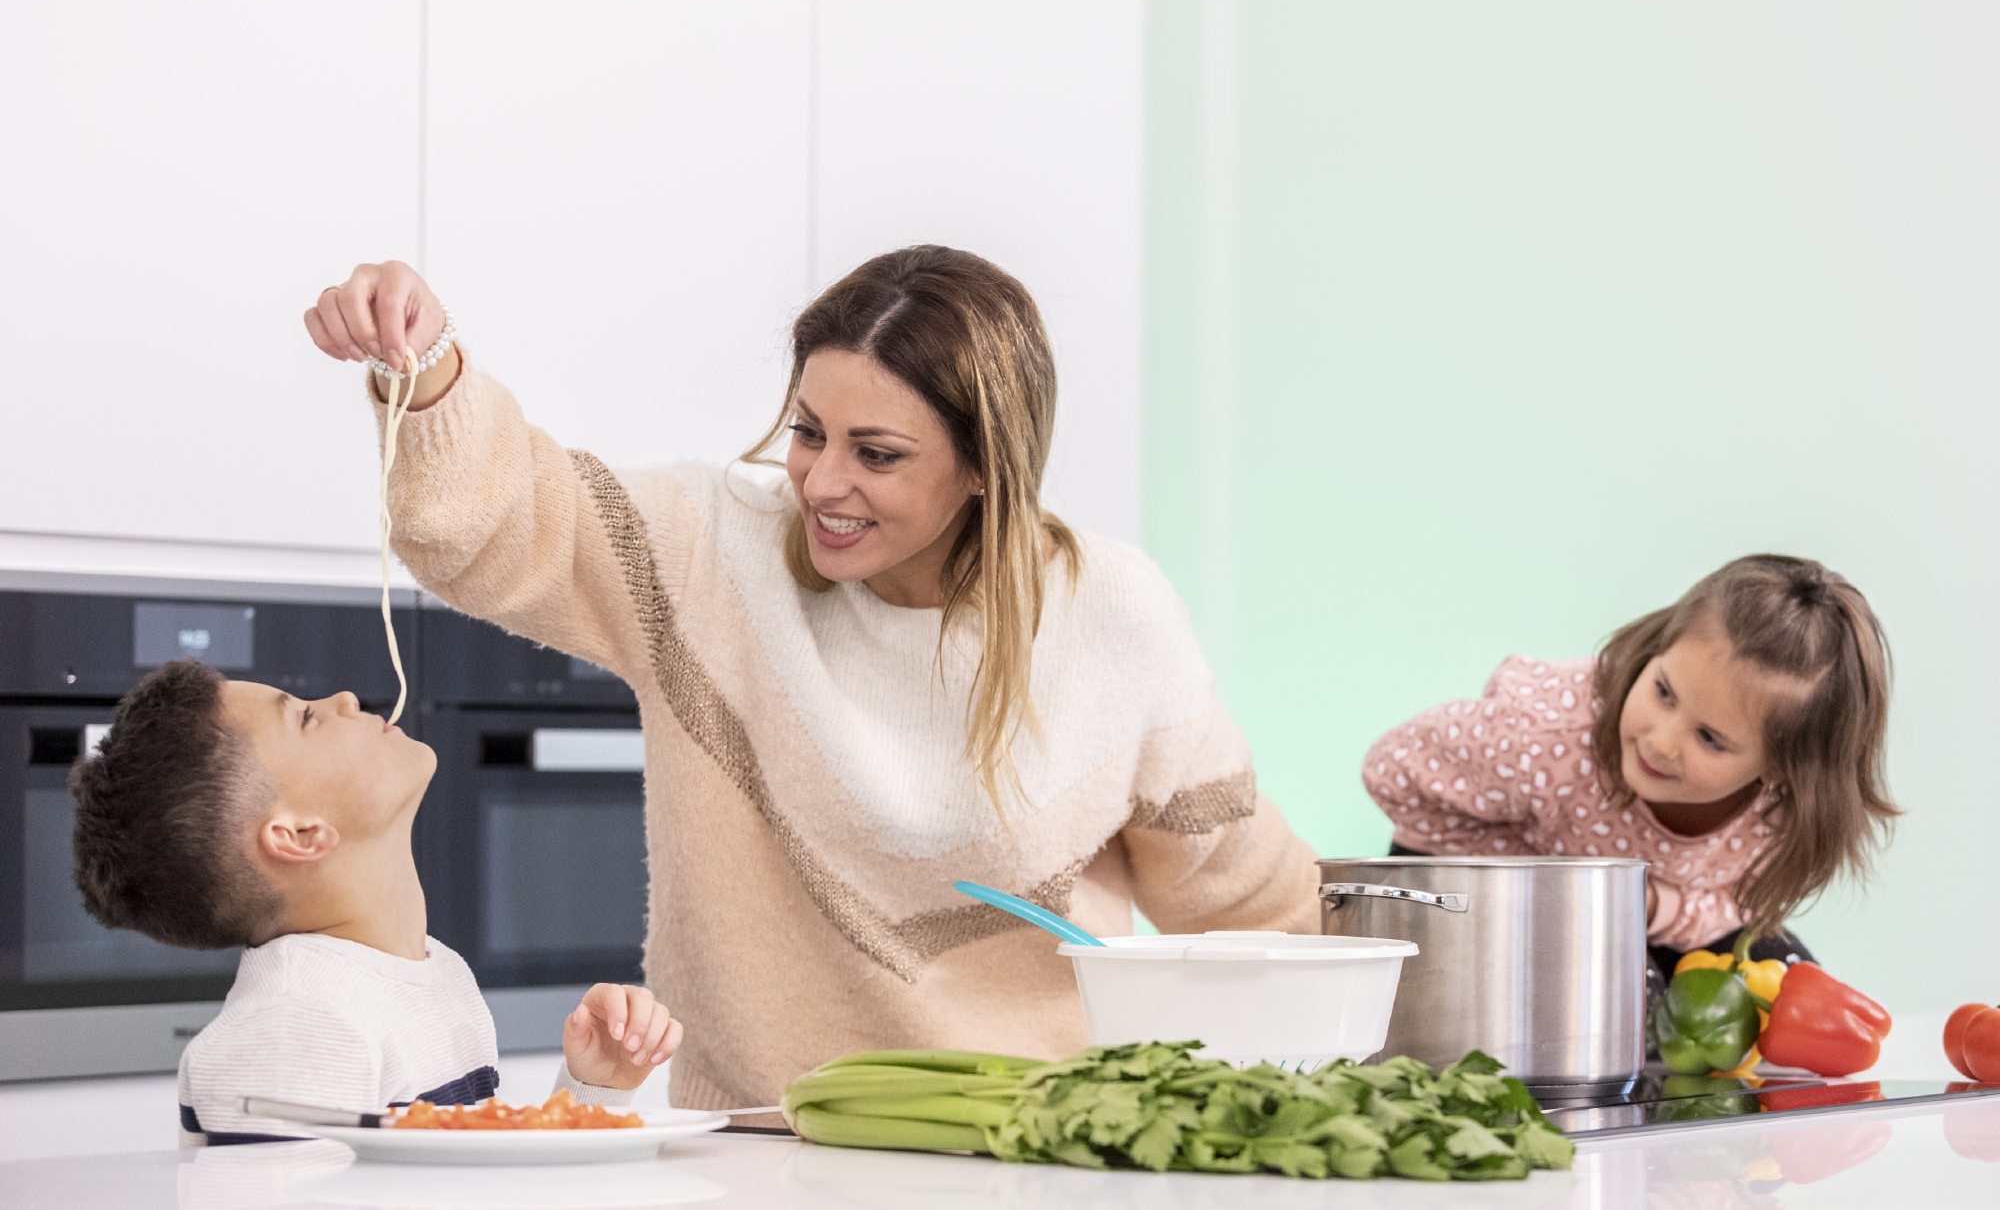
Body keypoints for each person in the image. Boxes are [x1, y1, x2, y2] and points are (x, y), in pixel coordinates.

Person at [301, 247, 1320, 1111]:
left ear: (985, 467)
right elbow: (491, 519)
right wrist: (424, 367)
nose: (822, 483)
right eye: (807, 431)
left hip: (1033, 1161)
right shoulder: (711, 554)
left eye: (875, 453)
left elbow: (1251, 906)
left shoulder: (1110, 615)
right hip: (759, 1155)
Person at [69, 659, 678, 1145]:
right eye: (306, 718)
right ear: (300, 834)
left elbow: (463, 1185)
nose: (344, 701)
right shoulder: (293, 1027)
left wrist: (590, 1092)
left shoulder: (435, 975)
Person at [1360, 554, 1897, 981]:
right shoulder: (1543, 737)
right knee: (1586, 1005)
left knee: (1790, 988)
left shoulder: (1782, 815)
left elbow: (1737, 901)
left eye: (1709, 738)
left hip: (1655, 915)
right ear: (1657, 649)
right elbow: (1391, 769)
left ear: (1780, 771)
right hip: (1491, 891)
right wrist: (1539, 877)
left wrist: (1653, 909)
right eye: (1663, 691)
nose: (1661, 743)